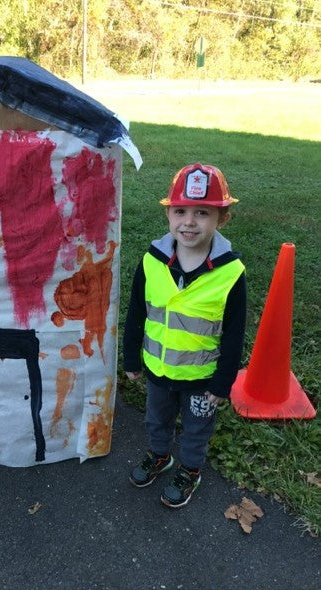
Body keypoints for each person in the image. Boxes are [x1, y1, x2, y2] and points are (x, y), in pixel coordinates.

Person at [123, 162, 247, 508]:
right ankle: (160, 455)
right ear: (168, 215)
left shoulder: (231, 274)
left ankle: (190, 469)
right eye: (180, 211)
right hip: (158, 371)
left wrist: (222, 384)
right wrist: (131, 357)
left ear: (222, 218)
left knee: (196, 430)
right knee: (156, 419)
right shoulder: (152, 261)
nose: (188, 222)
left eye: (202, 213)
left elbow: (235, 334)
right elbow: (136, 313)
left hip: (201, 379)